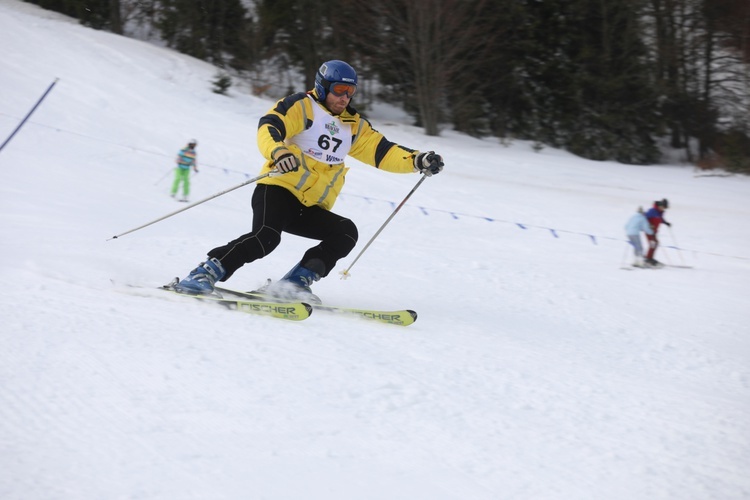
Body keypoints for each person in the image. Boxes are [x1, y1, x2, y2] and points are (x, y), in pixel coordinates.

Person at [172, 60, 444, 301]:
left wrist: (418, 160)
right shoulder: (303, 106)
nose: (345, 98)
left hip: (311, 204)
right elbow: (270, 125)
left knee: (345, 232)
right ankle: (204, 274)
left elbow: (382, 152)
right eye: (339, 90)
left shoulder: (353, 124)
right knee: (265, 238)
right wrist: (278, 151)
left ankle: (294, 284)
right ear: (323, 87)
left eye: (350, 92)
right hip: (278, 188)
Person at [644, 198, 671, 267]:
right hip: (648, 231)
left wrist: (666, 223)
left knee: (655, 243)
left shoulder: (660, 212)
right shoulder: (652, 211)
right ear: (661, 205)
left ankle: (650, 258)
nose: (664, 209)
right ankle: (648, 259)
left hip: (654, 232)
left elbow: (660, 219)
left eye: (665, 208)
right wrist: (649, 225)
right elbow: (645, 218)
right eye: (664, 207)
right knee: (653, 243)